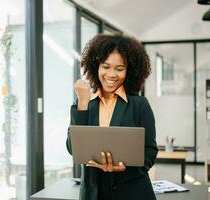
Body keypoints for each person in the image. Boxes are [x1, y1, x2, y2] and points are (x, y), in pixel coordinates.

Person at [66, 33, 158, 200]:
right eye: (105, 66)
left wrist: (124, 168)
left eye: (119, 69)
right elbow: (73, 148)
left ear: (129, 71)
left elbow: (150, 152)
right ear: (96, 67)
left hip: (131, 192)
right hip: (94, 194)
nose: (111, 75)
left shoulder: (140, 105)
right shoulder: (85, 101)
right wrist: (83, 103)